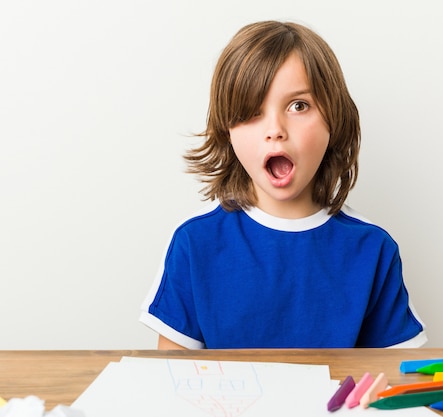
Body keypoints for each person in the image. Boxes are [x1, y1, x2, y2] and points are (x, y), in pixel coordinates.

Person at [139, 20, 427, 349]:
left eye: (298, 106)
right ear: (227, 131)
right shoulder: (195, 243)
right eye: (252, 112)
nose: (275, 129)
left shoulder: (373, 249)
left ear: (333, 118)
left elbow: (394, 382)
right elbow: (171, 378)